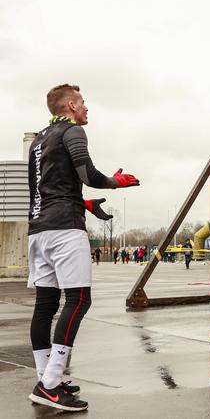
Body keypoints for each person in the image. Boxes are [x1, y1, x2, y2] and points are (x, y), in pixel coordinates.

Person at [27, 84, 139, 411]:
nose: (87, 108)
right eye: (84, 102)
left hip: (39, 230)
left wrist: (84, 202)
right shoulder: (72, 131)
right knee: (78, 299)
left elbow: (46, 187)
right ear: (72, 105)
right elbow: (87, 173)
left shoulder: (38, 139)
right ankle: (50, 383)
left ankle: (47, 379)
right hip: (64, 230)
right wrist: (115, 182)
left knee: (46, 304)